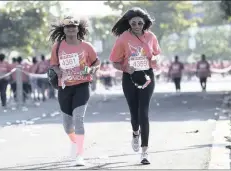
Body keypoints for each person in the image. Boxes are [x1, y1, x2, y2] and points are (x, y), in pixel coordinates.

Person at [109, 7, 161, 165]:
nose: (137, 25)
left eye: (140, 23)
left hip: (147, 76)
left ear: (145, 23)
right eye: (133, 23)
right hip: (129, 77)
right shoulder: (123, 38)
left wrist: (155, 60)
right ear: (129, 23)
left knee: (143, 112)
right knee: (134, 113)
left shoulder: (150, 37)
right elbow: (115, 62)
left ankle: (145, 152)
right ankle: (135, 133)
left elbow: (158, 54)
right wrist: (125, 68)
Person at [49, 16, 100, 166]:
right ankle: (76, 142)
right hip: (64, 87)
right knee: (67, 125)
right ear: (63, 29)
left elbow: (97, 63)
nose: (71, 28)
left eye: (73, 26)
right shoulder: (57, 46)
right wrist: (58, 71)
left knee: (78, 118)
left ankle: (79, 153)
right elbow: (54, 64)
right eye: (68, 26)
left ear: (79, 29)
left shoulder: (86, 46)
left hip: (82, 86)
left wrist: (91, 69)